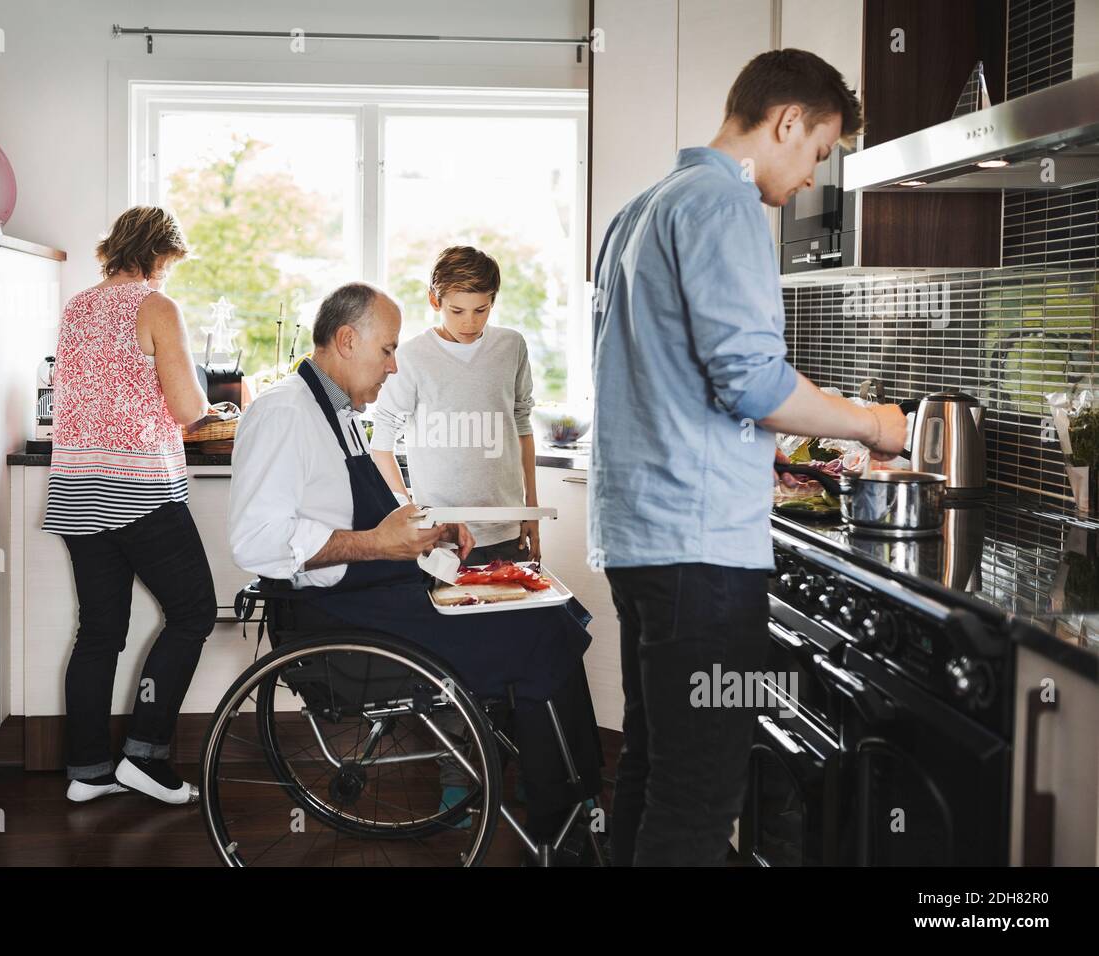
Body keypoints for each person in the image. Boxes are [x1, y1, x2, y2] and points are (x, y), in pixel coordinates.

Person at [590, 49, 908, 866]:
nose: (812, 175)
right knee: (698, 800)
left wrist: (764, 444)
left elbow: (670, 379)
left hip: (640, 543)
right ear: (788, 121)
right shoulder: (725, 206)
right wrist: (872, 425)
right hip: (701, 558)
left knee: (654, 770)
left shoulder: (643, 208)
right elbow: (753, 383)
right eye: (819, 151)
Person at [227, 281, 603, 846]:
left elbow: (366, 517)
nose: (395, 367)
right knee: (541, 628)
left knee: (549, 600)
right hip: (343, 615)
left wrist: (423, 531)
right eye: (387, 350)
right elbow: (257, 541)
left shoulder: (339, 412)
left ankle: (571, 793)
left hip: (378, 592)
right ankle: (567, 821)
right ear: (347, 340)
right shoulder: (284, 413)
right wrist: (379, 545)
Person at [43, 205, 215, 805]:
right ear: (158, 253)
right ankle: (145, 756)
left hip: (76, 491)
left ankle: (87, 771)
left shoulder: (77, 308)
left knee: (99, 632)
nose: (169, 274)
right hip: (139, 489)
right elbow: (190, 407)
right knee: (194, 614)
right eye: (170, 262)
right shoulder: (156, 306)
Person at [369, 246, 547, 821]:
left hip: (502, 528)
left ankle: (513, 772)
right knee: (452, 661)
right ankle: (456, 777)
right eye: (458, 311)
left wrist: (530, 511)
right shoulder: (413, 357)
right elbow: (382, 444)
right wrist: (412, 511)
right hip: (444, 538)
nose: (470, 323)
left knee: (514, 656)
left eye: (482, 310)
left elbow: (522, 428)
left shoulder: (511, 347)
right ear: (435, 301)